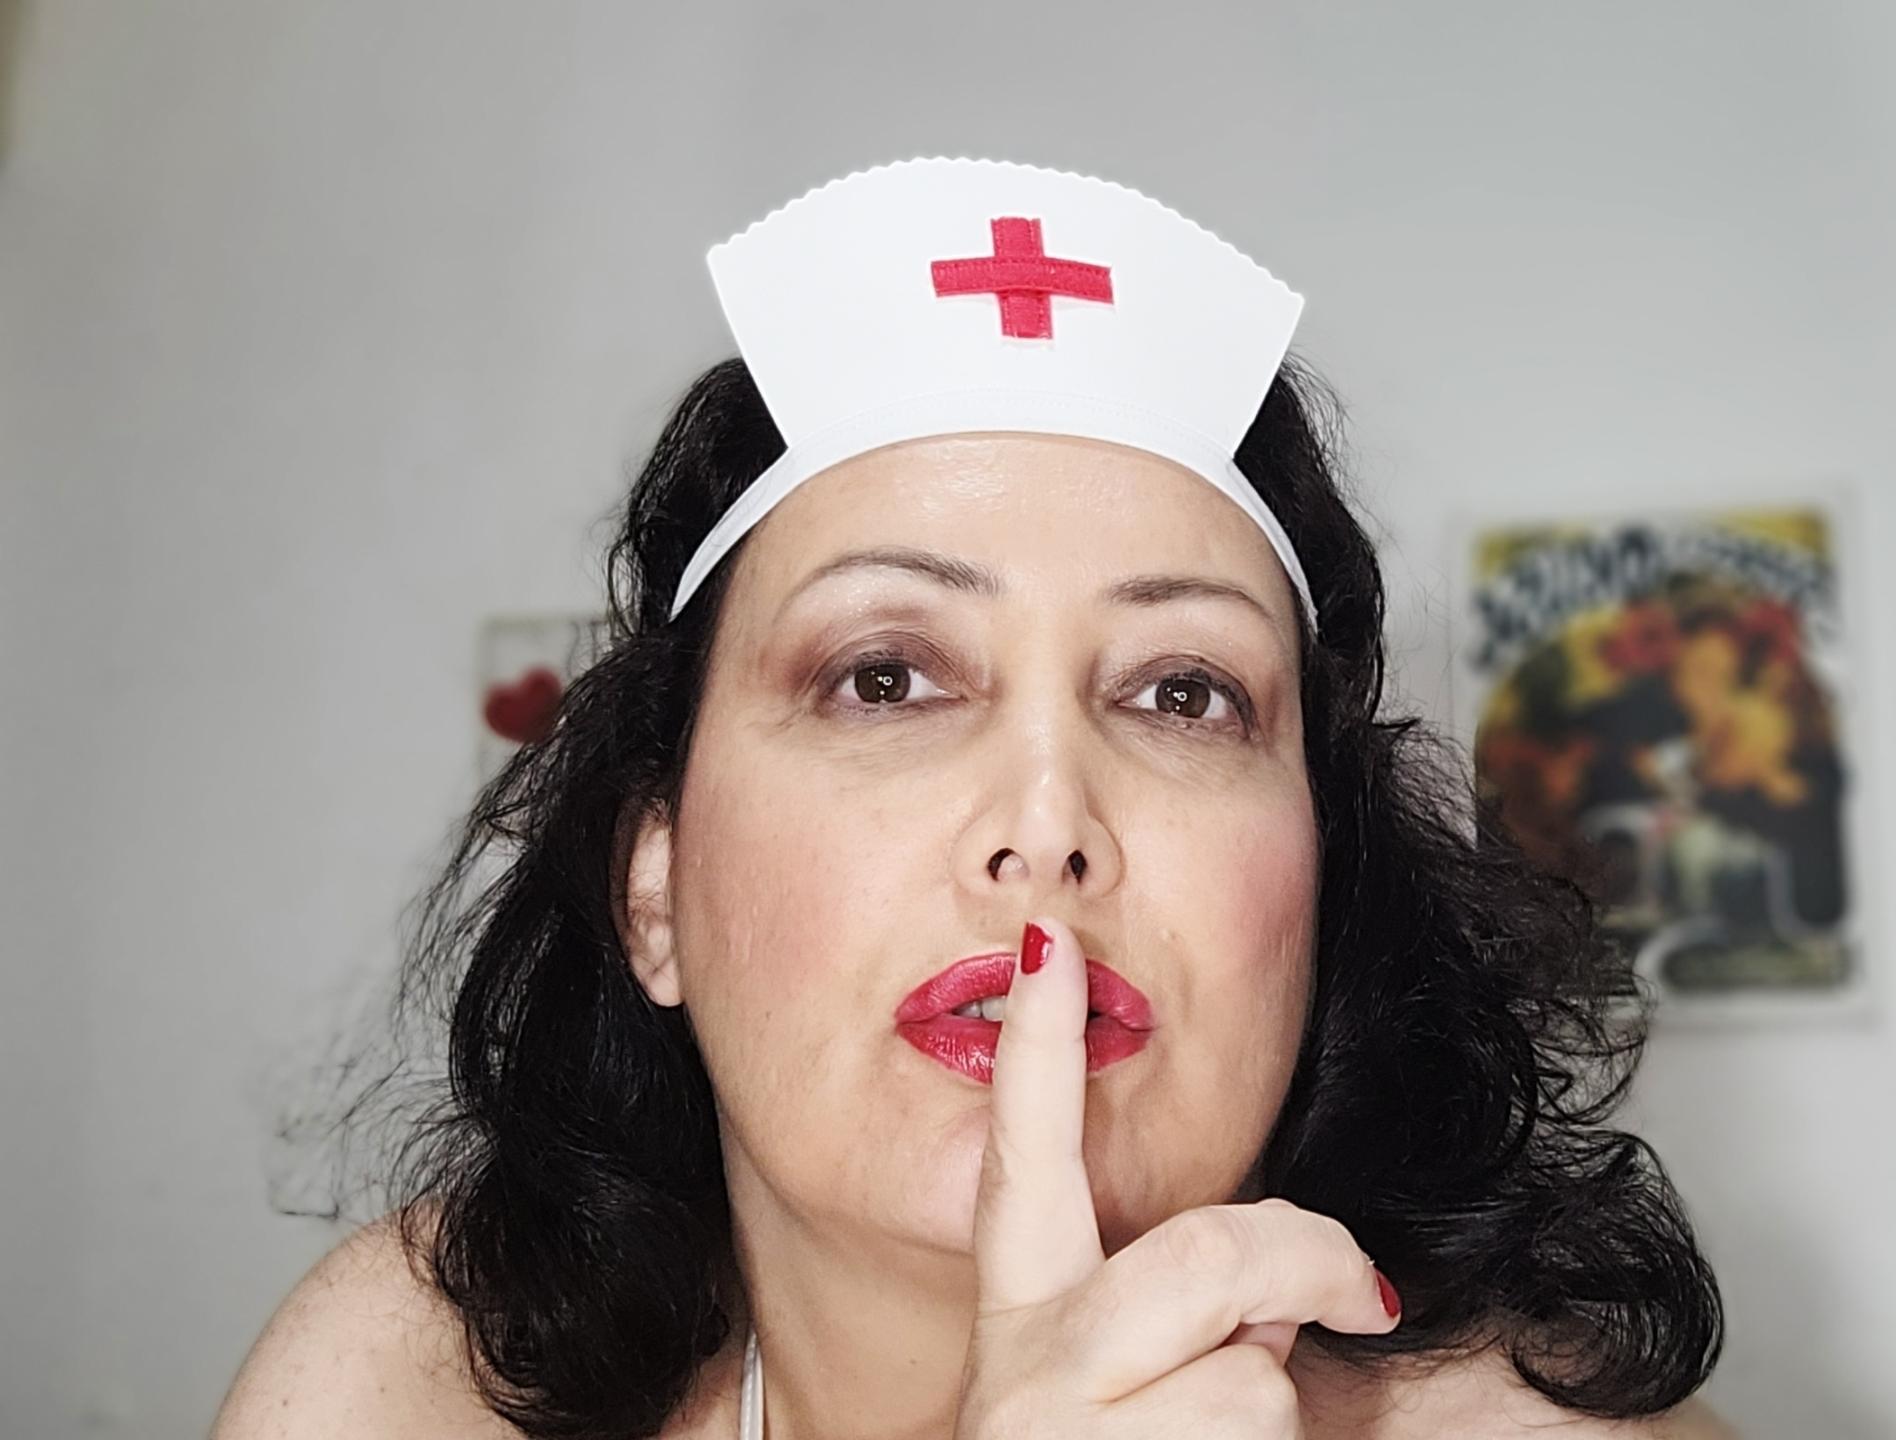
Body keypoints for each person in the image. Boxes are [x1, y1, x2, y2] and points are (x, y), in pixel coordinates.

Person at [213, 158, 1733, 1439]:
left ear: (1327, 882)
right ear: (654, 888)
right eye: (884, 678)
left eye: (1182, 693)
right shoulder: (401, 1381)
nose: (1048, 821)